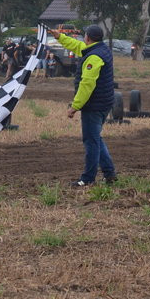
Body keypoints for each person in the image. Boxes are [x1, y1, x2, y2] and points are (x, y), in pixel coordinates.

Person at [50, 24, 116, 187]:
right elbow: (78, 46)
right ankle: (109, 173)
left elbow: (87, 84)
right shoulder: (102, 49)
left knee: (91, 141)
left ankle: (87, 179)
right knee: (96, 139)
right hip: (104, 102)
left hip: (94, 106)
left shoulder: (93, 57)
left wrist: (75, 106)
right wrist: (60, 37)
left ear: (87, 38)